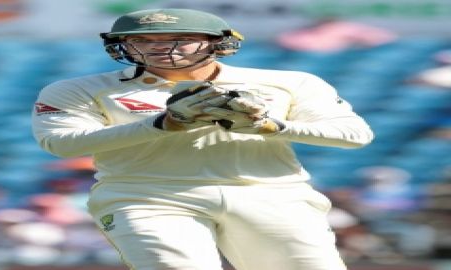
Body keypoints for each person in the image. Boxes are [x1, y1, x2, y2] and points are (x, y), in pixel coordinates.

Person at [32, 8, 374, 270]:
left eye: (179, 38)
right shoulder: (78, 90)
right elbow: (63, 143)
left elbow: (354, 135)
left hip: (270, 192)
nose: (160, 48)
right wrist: (165, 124)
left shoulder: (290, 82)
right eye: (144, 40)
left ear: (218, 42)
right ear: (122, 45)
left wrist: (269, 126)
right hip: (147, 195)